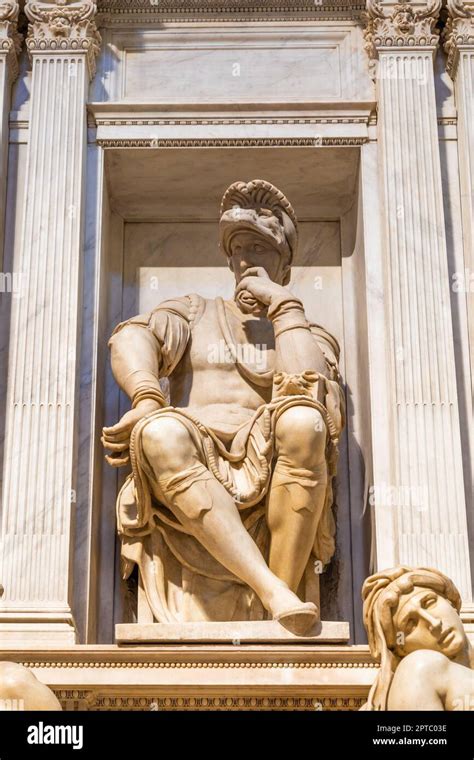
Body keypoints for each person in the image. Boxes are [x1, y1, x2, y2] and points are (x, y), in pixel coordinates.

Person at [102, 179, 345, 634]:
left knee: (304, 422)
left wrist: (283, 306)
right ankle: (274, 593)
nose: (245, 260)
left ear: (285, 260)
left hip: (271, 453)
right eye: (236, 248)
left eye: (258, 246)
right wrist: (147, 396)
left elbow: (310, 389)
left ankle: (280, 598)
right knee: (158, 431)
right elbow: (131, 337)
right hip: (194, 450)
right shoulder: (195, 311)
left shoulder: (304, 330)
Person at [361, 566, 474, 710]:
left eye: (430, 603)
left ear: (450, 603)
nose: (434, 623)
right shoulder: (418, 669)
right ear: (401, 650)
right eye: (411, 624)